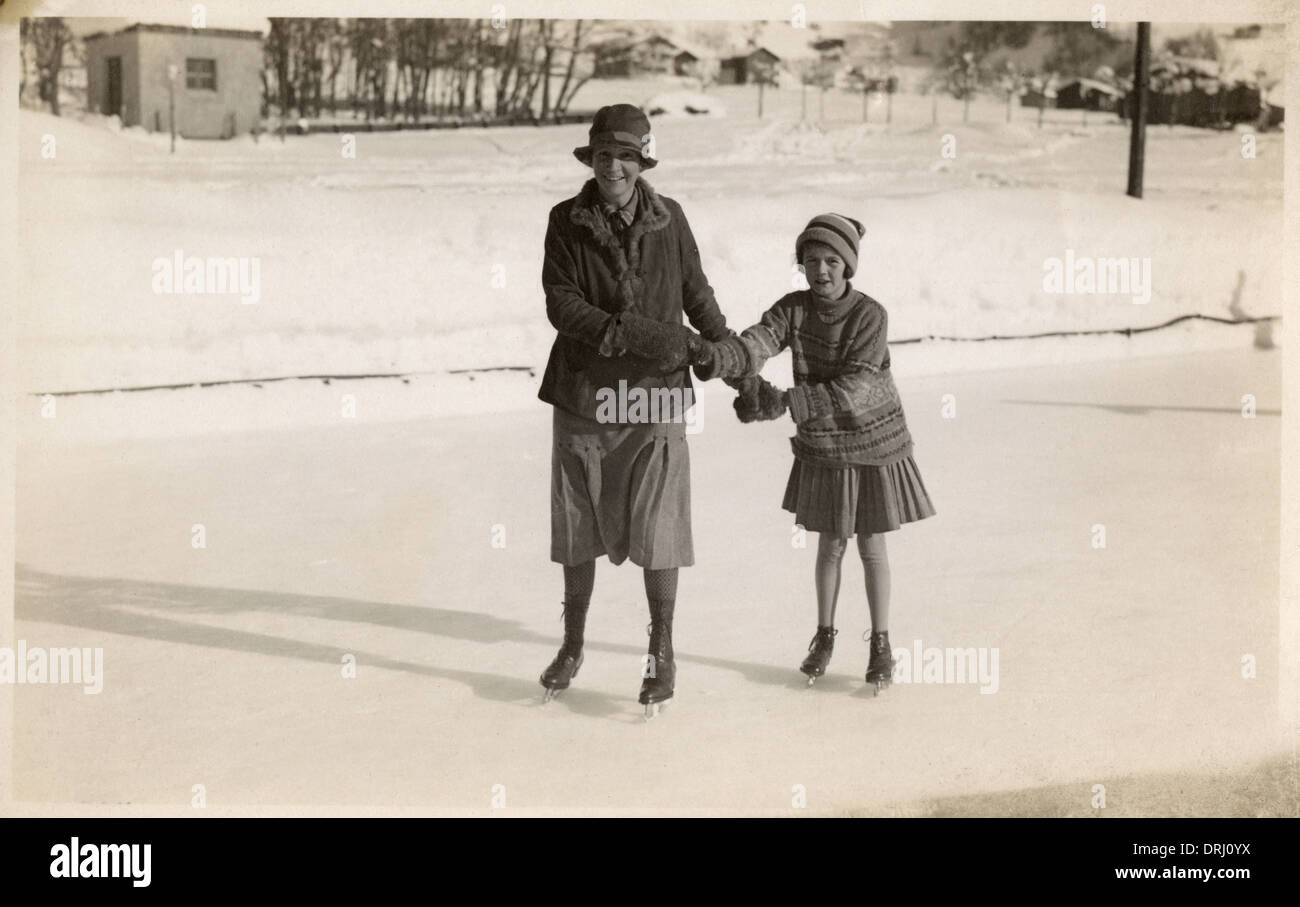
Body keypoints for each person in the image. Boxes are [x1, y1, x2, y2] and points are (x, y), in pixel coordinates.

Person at [537, 104, 732, 715]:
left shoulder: (670, 218)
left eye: (625, 156)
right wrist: (630, 333)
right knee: (578, 526)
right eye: (603, 155)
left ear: (642, 160)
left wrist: (721, 349)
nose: (613, 167)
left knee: (659, 527)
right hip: (585, 393)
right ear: (591, 159)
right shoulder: (565, 222)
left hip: (655, 395)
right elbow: (561, 304)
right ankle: (572, 644)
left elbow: (695, 291)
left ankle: (661, 651)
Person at [695, 213, 936, 694]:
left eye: (830, 261)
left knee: (870, 544)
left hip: (872, 443)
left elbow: (859, 383)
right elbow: (763, 337)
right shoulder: (795, 308)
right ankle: (824, 635)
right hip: (825, 446)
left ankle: (881, 642)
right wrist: (734, 359)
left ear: (848, 266)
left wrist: (785, 402)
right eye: (810, 261)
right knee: (830, 544)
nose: (820, 270)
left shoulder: (871, 315)